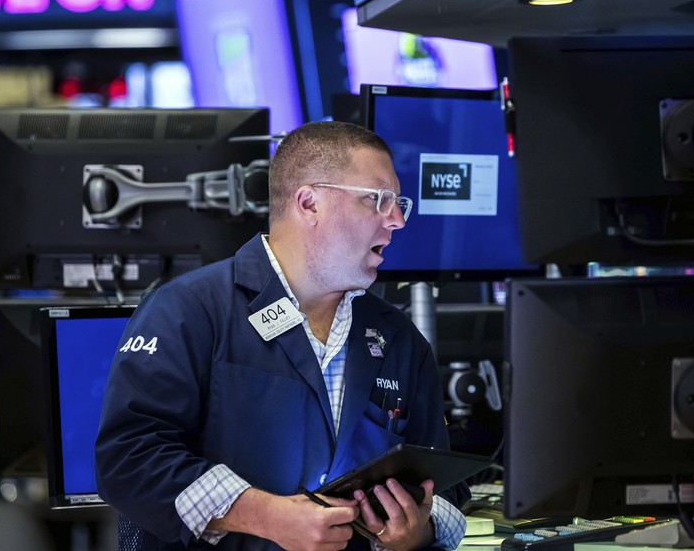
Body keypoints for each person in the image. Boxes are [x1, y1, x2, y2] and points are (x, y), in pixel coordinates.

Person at [95, 121, 470, 551]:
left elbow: (447, 490)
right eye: (378, 200)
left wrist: (417, 530)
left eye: (398, 202)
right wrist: (267, 516)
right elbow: (128, 459)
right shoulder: (189, 310)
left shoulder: (398, 337)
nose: (398, 220)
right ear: (310, 203)